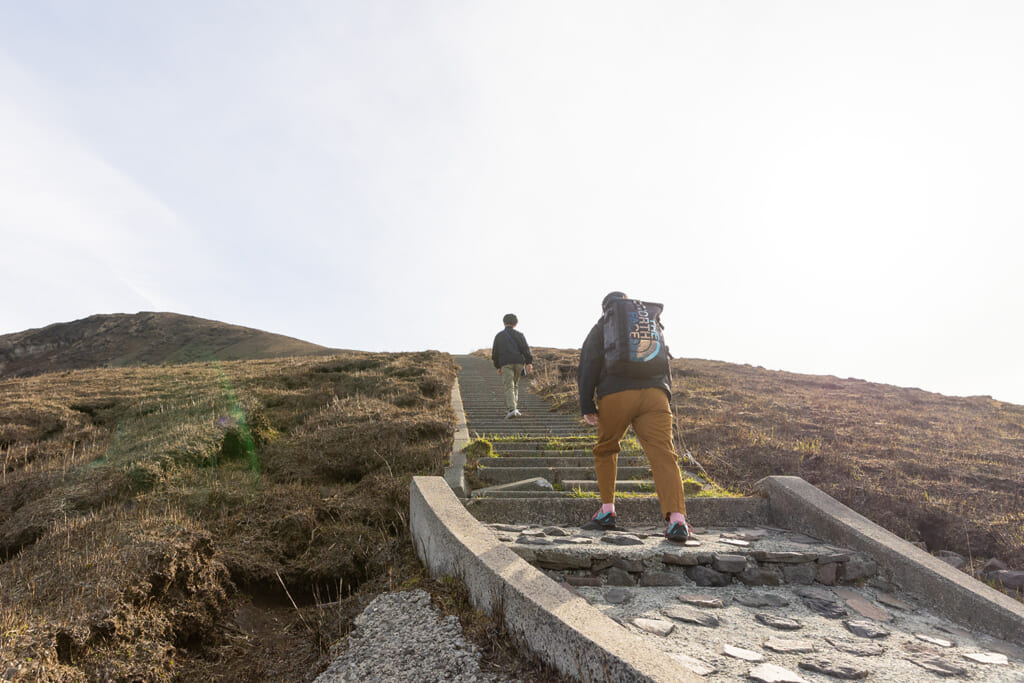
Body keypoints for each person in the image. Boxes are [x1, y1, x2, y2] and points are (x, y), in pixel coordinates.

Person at [577, 291, 695, 542]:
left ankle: (607, 511)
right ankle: (677, 520)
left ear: (606, 308)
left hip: (616, 394)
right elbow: (664, 361)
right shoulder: (648, 324)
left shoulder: (603, 327)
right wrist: (665, 395)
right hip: (655, 394)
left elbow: (588, 362)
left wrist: (586, 403)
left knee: (606, 449)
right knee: (664, 453)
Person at [491, 313, 533, 419]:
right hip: (519, 363)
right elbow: (525, 349)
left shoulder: (499, 336)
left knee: (509, 386)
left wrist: (498, 366)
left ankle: (512, 409)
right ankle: (514, 408)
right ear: (516, 324)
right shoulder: (520, 335)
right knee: (515, 385)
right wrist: (528, 362)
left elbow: (495, 353)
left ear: (504, 323)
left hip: (506, 363)